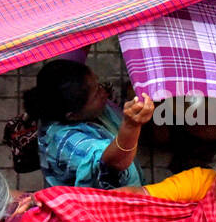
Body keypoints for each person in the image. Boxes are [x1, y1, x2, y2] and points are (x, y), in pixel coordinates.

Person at [22, 59, 154, 190]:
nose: (105, 92)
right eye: (97, 93)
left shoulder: (66, 101)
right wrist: (131, 126)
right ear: (73, 115)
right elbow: (114, 163)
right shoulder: (64, 142)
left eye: (98, 84)